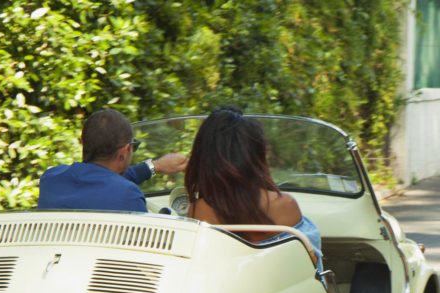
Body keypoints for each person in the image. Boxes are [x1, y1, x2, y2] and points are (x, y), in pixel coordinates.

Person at [185, 106, 323, 269]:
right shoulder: (285, 204)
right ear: (256, 156)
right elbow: (312, 270)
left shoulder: (198, 211)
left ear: (204, 158)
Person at [38, 109, 187, 211]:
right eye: (133, 147)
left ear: (83, 143)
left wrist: (156, 166)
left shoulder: (51, 179)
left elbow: (100, 178)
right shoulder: (128, 196)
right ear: (124, 152)